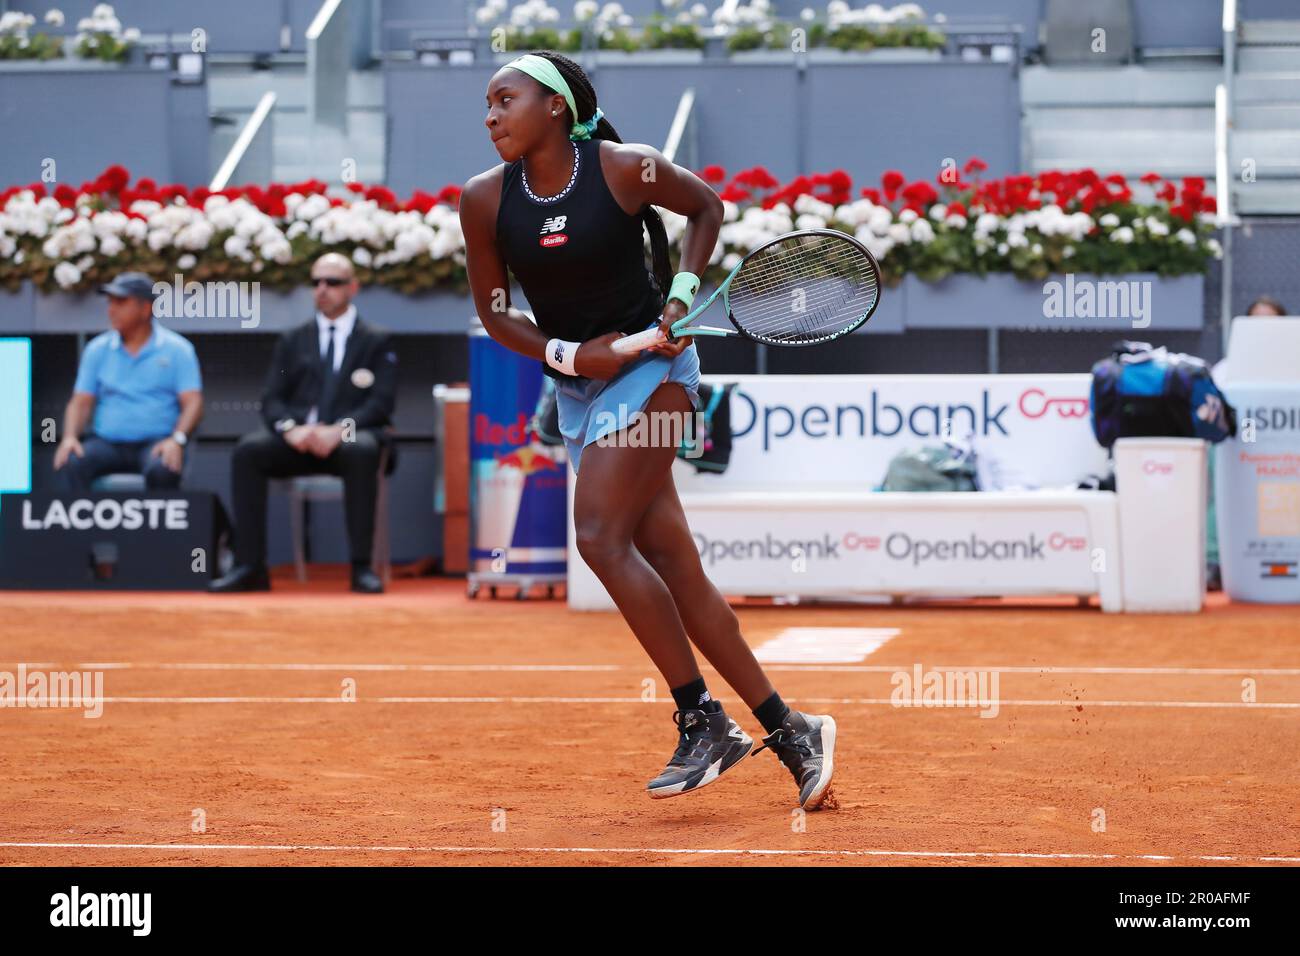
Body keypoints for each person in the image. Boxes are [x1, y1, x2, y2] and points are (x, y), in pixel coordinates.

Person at [459, 50, 836, 809]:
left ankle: (703, 719)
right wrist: (573, 353)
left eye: (507, 99)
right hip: (579, 388)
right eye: (488, 103)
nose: (491, 114)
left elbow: (707, 208)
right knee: (676, 566)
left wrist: (683, 297)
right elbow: (495, 312)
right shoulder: (481, 199)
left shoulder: (627, 168)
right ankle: (792, 729)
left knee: (599, 536)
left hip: (658, 377)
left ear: (556, 107)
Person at [209, 253, 397, 595]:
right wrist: (289, 429)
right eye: (316, 282)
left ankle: (361, 568)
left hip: (348, 440)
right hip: (298, 442)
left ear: (352, 288)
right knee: (249, 451)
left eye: (333, 282)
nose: (323, 290)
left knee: (363, 449)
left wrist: (339, 429)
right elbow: (272, 399)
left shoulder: (376, 340)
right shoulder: (293, 339)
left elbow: (380, 405)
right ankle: (250, 566)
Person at [52, 271, 202, 492]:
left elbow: (193, 403)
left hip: (156, 443)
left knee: (164, 466)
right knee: (72, 461)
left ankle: (159, 528)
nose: (111, 310)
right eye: (110, 302)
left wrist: (176, 440)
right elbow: (80, 402)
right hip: (106, 443)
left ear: (145, 308)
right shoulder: (97, 349)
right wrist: (69, 437)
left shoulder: (179, 350)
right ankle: (83, 528)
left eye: (121, 302)